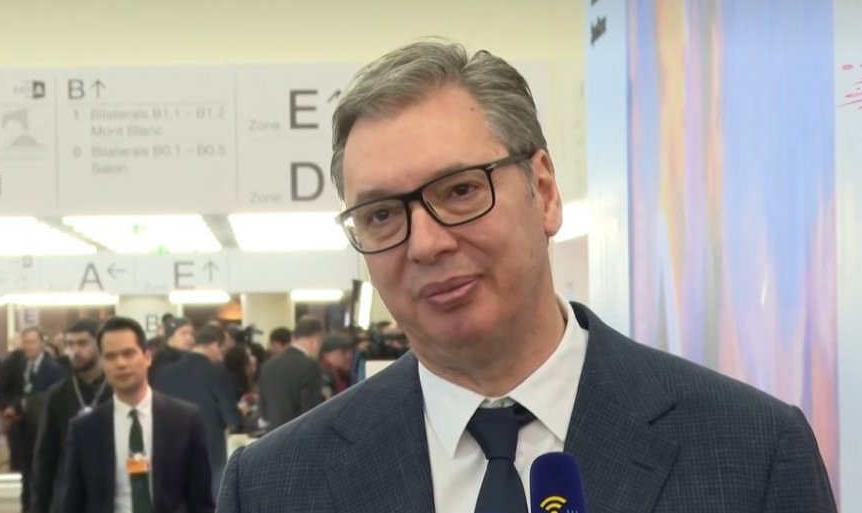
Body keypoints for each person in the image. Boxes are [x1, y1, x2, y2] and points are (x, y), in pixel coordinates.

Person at [217, 41, 836, 513]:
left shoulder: (751, 451)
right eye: (381, 215)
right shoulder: (273, 486)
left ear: (543, 191)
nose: (427, 243)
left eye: (460, 191)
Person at [62, 316, 213, 513]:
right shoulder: (85, 429)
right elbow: (73, 502)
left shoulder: (184, 420)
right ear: (102, 363)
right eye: (110, 357)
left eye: (128, 354)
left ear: (147, 357)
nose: (120, 363)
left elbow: (201, 501)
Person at [31, 319, 112, 513]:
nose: (75, 351)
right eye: (70, 344)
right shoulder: (58, 394)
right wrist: (39, 505)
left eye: (82, 343)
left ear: (99, 345)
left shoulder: (116, 389)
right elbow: (46, 455)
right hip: (69, 492)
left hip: (110, 491)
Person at [154, 324, 242, 500]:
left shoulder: (163, 373)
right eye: (222, 351)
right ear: (215, 345)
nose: (221, 357)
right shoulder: (218, 373)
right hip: (209, 450)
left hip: (170, 446)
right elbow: (232, 418)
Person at [0, 327, 66, 513]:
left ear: (41, 343)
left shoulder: (54, 369)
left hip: (43, 430)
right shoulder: (19, 366)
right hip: (23, 431)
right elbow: (9, 390)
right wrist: (11, 406)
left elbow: (53, 398)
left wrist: (25, 404)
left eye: (32, 342)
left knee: (42, 474)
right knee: (27, 475)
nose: (28, 347)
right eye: (25, 343)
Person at [257, 317, 324, 431]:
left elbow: (263, 411)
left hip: (272, 435)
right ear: (315, 342)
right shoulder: (310, 366)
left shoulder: (267, 365)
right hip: (298, 435)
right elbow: (311, 412)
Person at [148, 316, 194, 382]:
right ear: (170, 337)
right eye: (183, 333)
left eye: (191, 334)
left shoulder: (192, 359)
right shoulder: (159, 361)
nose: (189, 338)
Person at [318, 335, 352, 399]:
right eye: (343, 352)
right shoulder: (322, 378)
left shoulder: (345, 375)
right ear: (326, 355)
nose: (349, 356)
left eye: (350, 351)